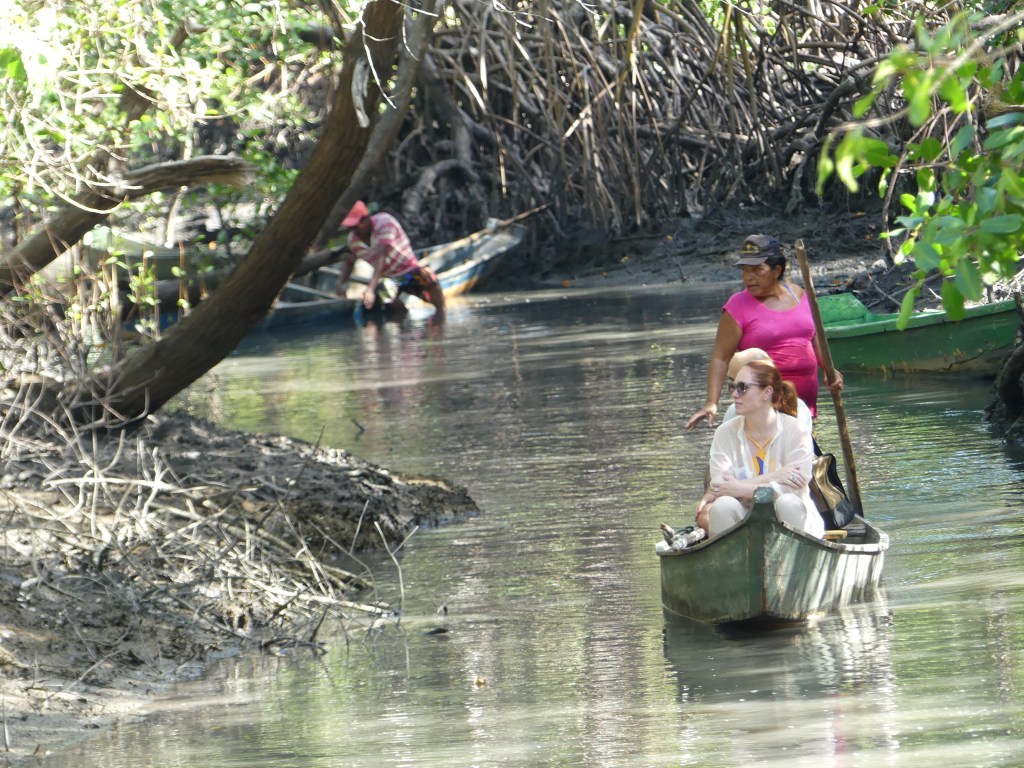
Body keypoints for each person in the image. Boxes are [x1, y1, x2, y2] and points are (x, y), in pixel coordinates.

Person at [686, 234, 842, 430]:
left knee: (799, 452)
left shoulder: (800, 294)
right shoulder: (737, 306)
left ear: (776, 270)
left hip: (805, 408)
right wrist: (712, 402)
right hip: (762, 409)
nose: (749, 277)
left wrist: (828, 369)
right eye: (745, 270)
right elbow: (720, 358)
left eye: (757, 270)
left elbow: (813, 335)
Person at [695, 359, 824, 540]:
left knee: (788, 503)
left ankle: (794, 563)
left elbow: (792, 489)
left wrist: (738, 488)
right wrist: (773, 478)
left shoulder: (797, 431)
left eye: (742, 388)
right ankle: (734, 564)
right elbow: (720, 486)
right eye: (732, 387)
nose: (734, 395)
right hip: (744, 518)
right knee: (723, 506)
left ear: (767, 392)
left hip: (794, 519)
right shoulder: (724, 433)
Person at [334, 200, 446, 318]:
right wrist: (340, 283)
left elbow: (381, 257)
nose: (356, 230)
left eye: (357, 225)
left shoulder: (384, 223)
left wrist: (370, 289)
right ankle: (403, 318)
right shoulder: (353, 240)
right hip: (391, 279)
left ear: (366, 218)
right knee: (384, 290)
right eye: (352, 227)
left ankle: (441, 314)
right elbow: (349, 261)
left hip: (409, 272)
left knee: (427, 276)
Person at [721, 347, 812, 433]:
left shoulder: (798, 410)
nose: (734, 394)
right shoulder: (733, 411)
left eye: (741, 386)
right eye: (732, 384)